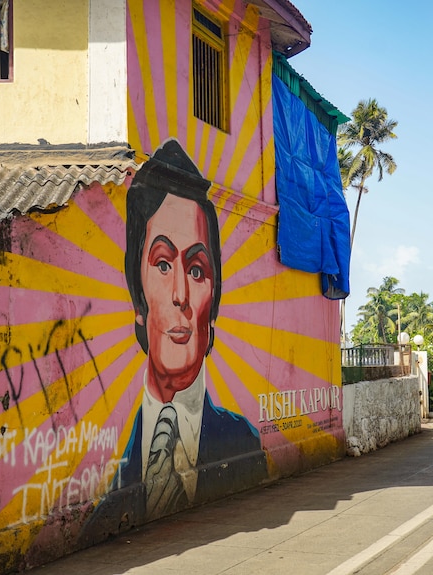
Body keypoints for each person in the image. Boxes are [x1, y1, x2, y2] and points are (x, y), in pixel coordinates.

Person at [117, 139, 267, 520]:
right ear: (137, 296)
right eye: (163, 264)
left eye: (197, 270)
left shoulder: (245, 447)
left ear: (213, 303)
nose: (181, 295)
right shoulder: (114, 481)